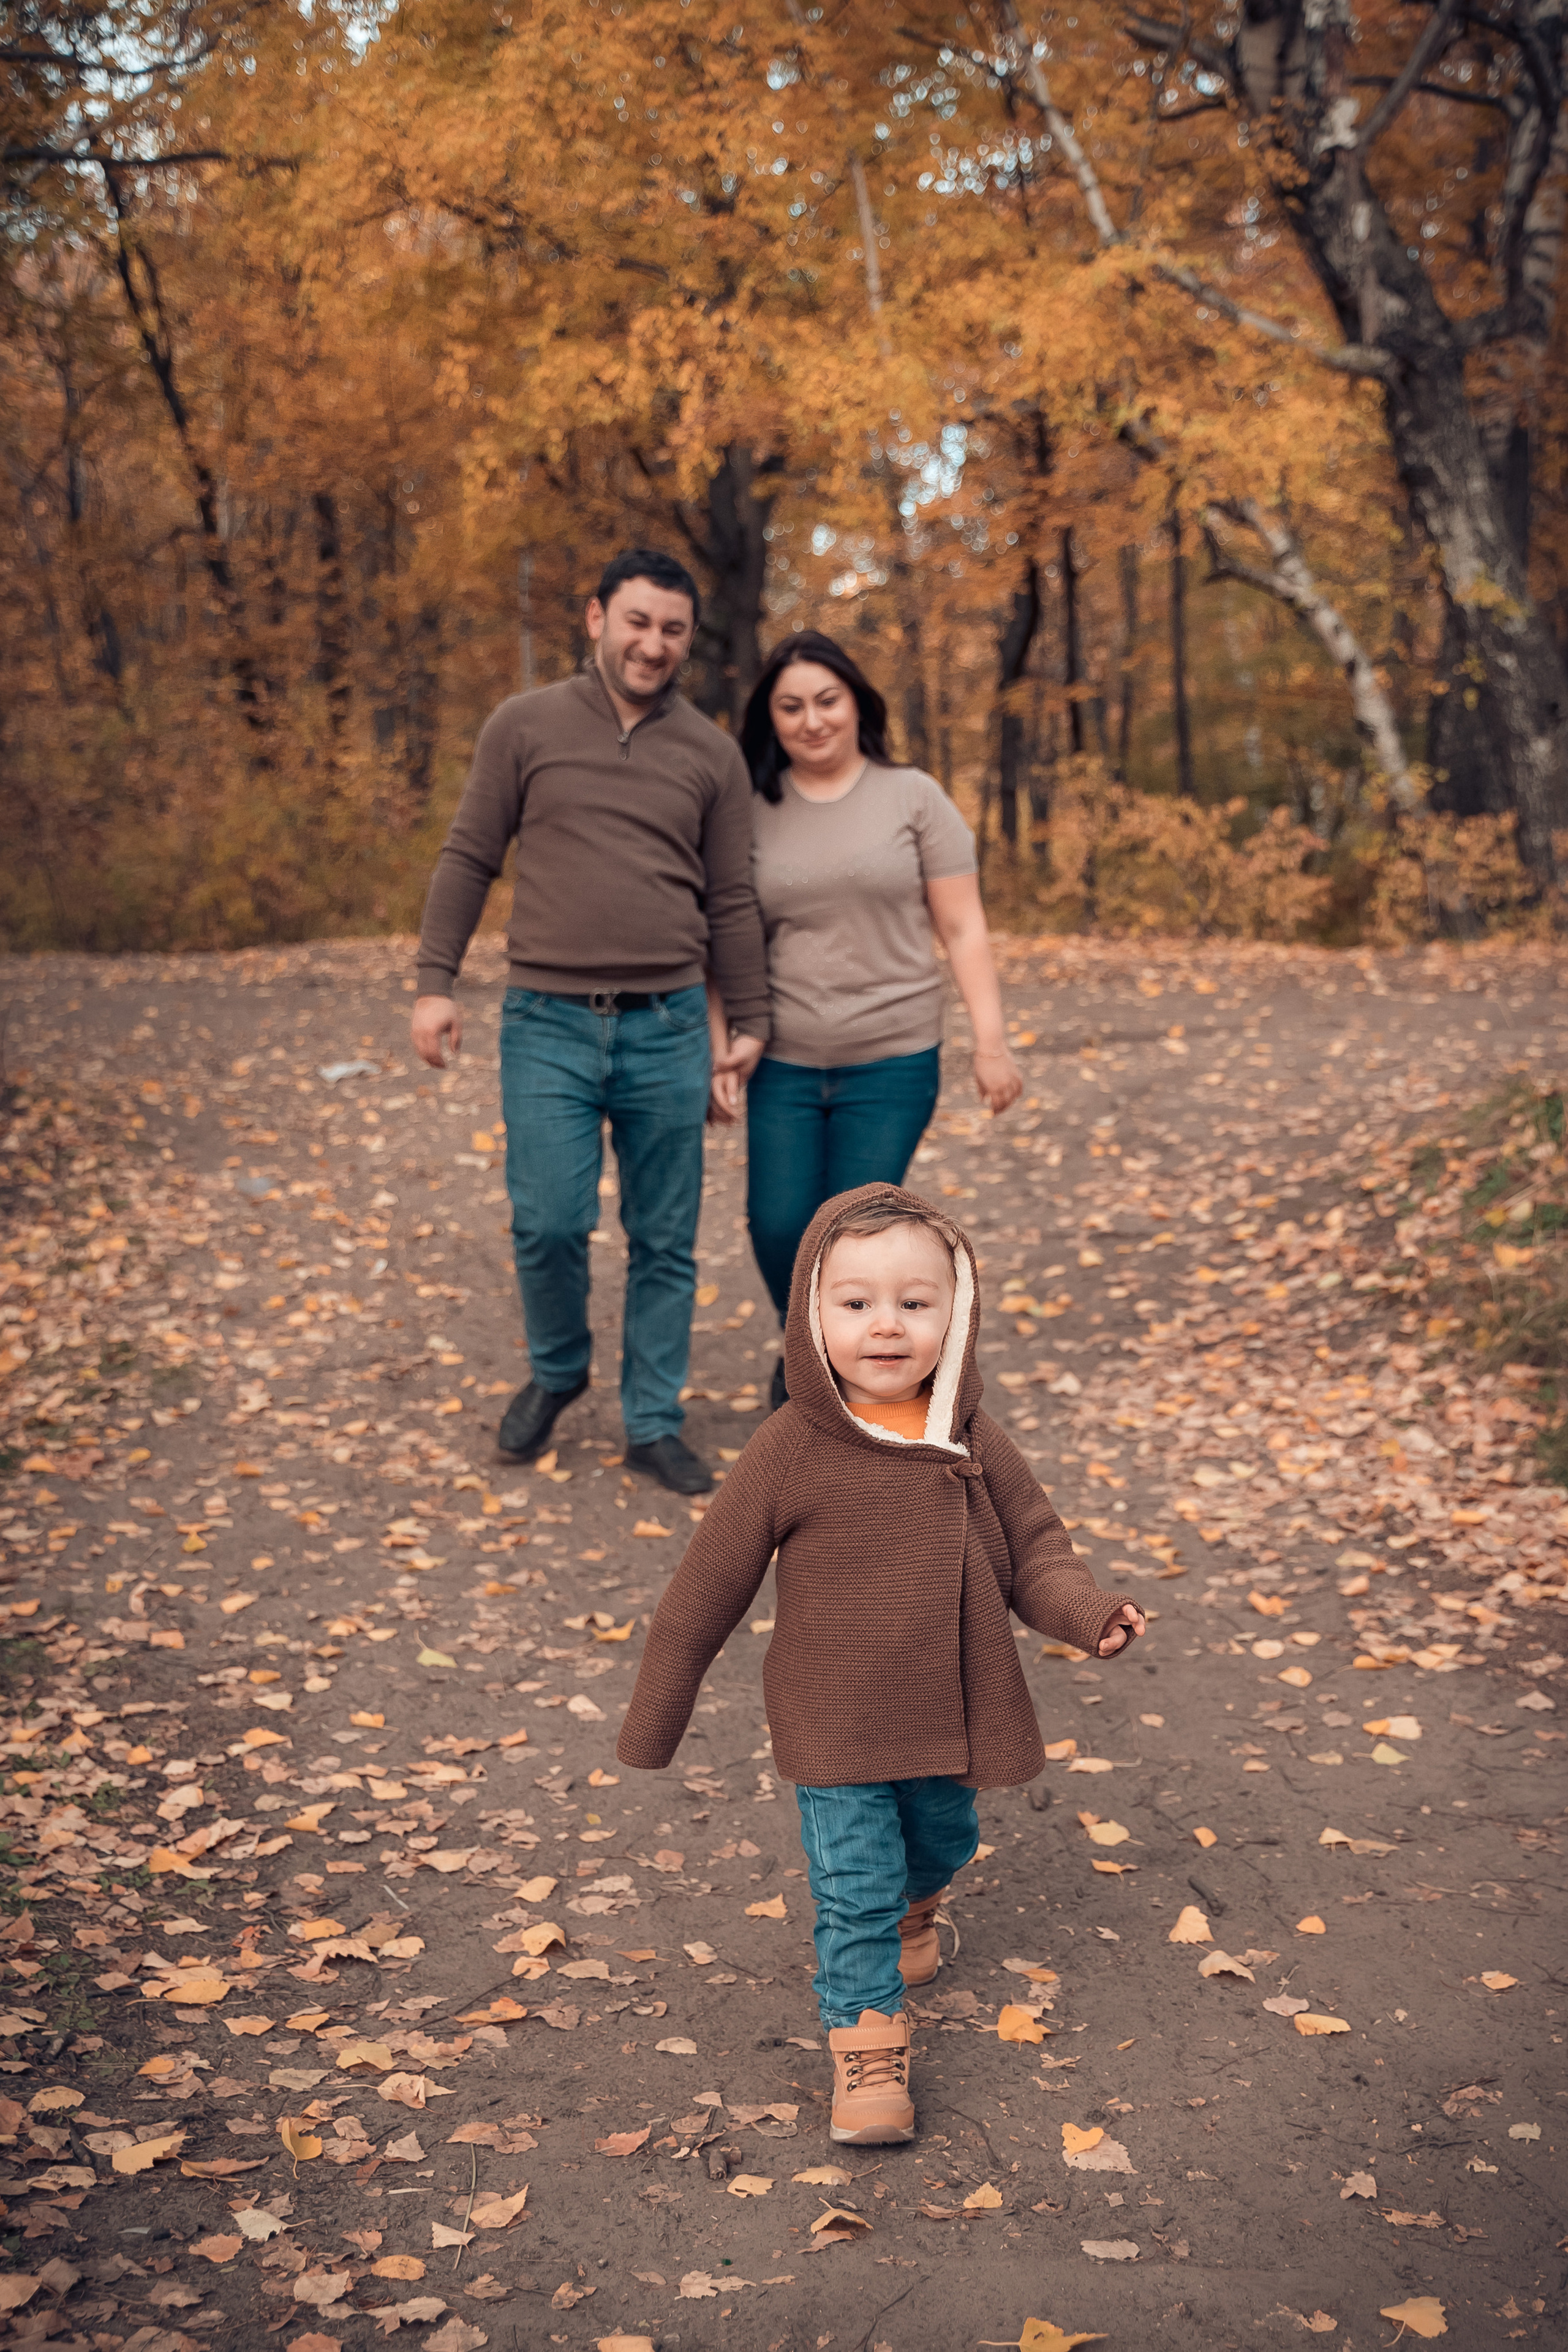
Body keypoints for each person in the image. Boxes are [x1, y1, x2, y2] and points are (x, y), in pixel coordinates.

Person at [617, 1182, 1145, 2144]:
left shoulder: (972, 1438)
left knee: (941, 1838)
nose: (886, 1326)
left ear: (960, 1314)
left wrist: (1087, 1612)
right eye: (855, 1302)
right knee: (851, 1885)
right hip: (833, 1718)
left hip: (951, 1705)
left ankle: (921, 1901)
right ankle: (864, 2047)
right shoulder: (790, 1449)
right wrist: (657, 1717)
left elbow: (1037, 1550)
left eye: (916, 1301)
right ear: (811, 1316)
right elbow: (705, 1591)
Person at [411, 548, 770, 1496]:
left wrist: (752, 1019)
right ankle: (560, 1368)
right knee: (549, 1222)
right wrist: (434, 982)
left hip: (667, 1028)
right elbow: (468, 856)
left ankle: (653, 1418)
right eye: (638, 621)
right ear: (596, 617)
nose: (654, 644)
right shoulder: (522, 727)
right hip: (547, 1024)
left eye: (673, 630)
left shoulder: (711, 753)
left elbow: (731, 898)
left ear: (688, 640)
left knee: (665, 1237)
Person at [707, 631, 1022, 1412]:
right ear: (769, 719)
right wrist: (720, 1044)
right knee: (777, 1225)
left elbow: (963, 928)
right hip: (782, 1055)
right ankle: (813, 1354)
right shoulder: (748, 810)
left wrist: (991, 1041)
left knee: (850, 1228)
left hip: (892, 1056)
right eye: (791, 707)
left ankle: (821, 1388)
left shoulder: (913, 796)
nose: (811, 721)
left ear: (855, 704)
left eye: (826, 701)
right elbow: (726, 938)